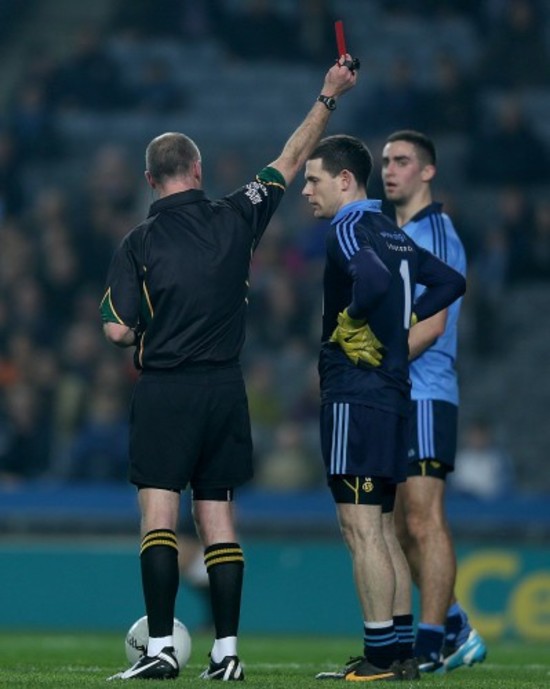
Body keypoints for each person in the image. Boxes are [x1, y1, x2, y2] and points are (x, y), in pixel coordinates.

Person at [100, 56, 357, 681]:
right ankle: (227, 652)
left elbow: (114, 329)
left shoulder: (136, 243)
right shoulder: (236, 212)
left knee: (160, 516)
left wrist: (140, 331)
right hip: (225, 388)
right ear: (197, 170)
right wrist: (328, 95)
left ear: (148, 179)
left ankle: (161, 646)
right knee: (218, 518)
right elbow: (293, 157)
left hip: (166, 388)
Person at [301, 135, 466, 682]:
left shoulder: (348, 227)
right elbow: (450, 282)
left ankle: (377, 655)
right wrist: (400, 321)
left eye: (314, 179)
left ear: (345, 180)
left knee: (361, 528)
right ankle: (398, 652)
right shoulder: (393, 232)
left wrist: (353, 320)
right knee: (385, 525)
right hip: (397, 395)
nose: (306, 191)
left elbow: (368, 280)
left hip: (355, 389)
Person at [381, 129, 487, 673]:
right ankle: (456, 627)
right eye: (385, 161)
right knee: (398, 528)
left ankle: (430, 646)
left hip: (426, 393)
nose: (389, 170)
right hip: (399, 394)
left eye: (402, 161)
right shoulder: (397, 233)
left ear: (428, 172)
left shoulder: (435, 234)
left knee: (424, 521)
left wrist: (374, 356)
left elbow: (434, 321)